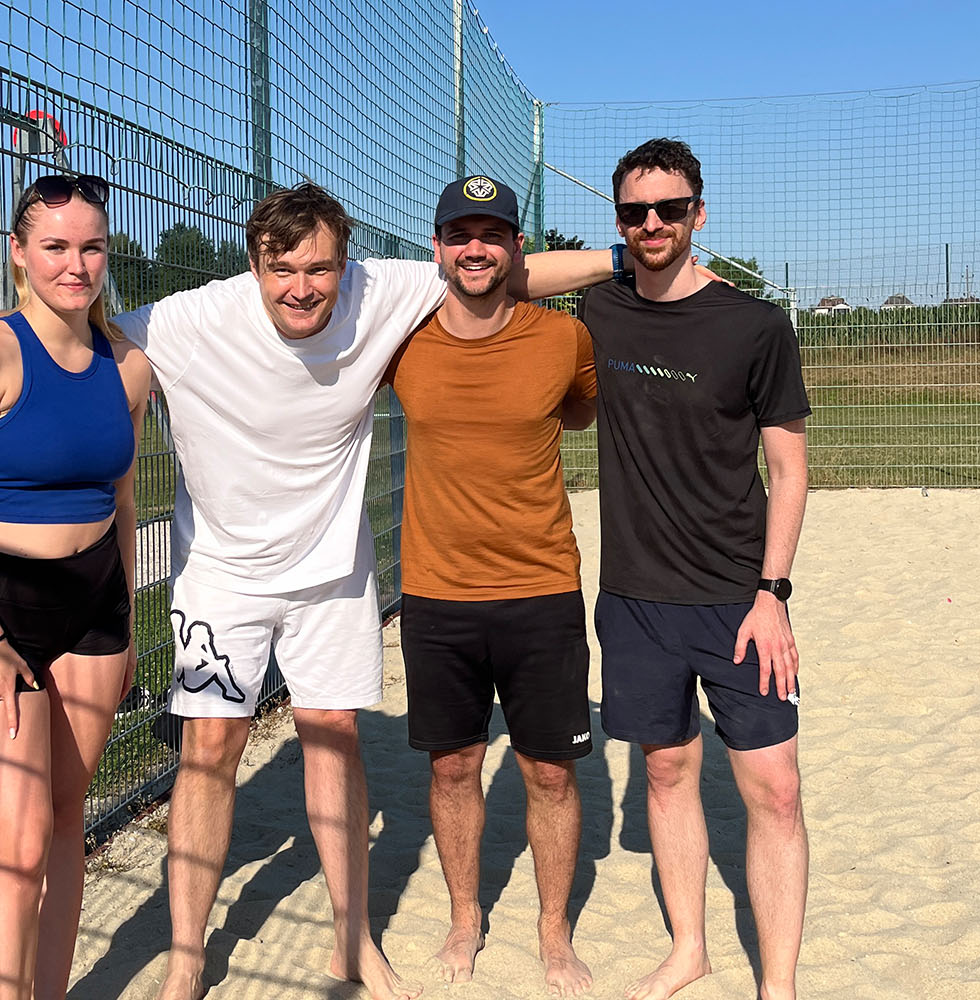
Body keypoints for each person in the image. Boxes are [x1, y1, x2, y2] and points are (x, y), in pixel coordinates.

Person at [0, 181, 629, 1000]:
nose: (302, 285)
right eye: (281, 267)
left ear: (346, 265)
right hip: (221, 578)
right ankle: (188, 954)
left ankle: (353, 939)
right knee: (210, 750)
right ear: (253, 265)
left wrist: (631, 256)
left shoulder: (384, 289)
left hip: (330, 573)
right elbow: (67, 328)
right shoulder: (186, 321)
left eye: (321, 267)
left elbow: (503, 270)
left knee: (333, 733)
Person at [580, 138, 810, 1000]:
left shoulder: (755, 326)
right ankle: (691, 950)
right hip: (635, 598)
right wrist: (607, 257)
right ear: (618, 222)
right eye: (635, 212)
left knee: (775, 790)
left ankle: (776, 985)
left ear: (698, 215)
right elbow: (501, 277)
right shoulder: (598, 310)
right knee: (668, 771)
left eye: (670, 209)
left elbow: (789, 470)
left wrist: (773, 594)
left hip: (738, 600)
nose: (652, 224)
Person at [0, 172, 150, 1000]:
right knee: (13, 848)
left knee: (61, 829)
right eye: (54, 246)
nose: (75, 264)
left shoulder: (129, 366)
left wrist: (126, 627)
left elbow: (123, 502)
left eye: (90, 246)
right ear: (18, 254)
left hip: (95, 603)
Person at [384, 175, 598, 996]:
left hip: (541, 586)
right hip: (437, 592)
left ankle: (553, 934)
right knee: (453, 767)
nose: (476, 247)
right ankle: (465, 918)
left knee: (549, 771)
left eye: (494, 233)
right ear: (436, 247)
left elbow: (577, 414)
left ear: (517, 248)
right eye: (460, 234)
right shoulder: (400, 340)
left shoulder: (562, 341)